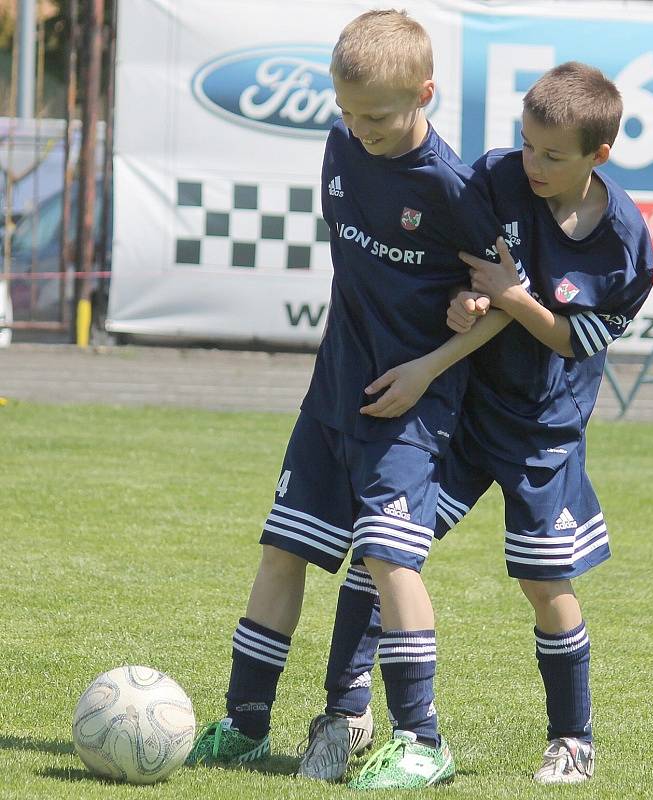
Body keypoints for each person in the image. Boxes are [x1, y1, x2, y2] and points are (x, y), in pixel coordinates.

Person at [298, 61, 653, 786]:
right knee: (383, 550)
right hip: (463, 413)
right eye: (527, 145)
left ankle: (572, 738)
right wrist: (468, 307)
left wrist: (512, 299)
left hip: (540, 434)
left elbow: (575, 339)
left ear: (599, 156)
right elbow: (465, 279)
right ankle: (345, 715)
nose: (534, 164)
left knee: (543, 582)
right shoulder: (495, 178)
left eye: (553, 155)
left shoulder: (625, 243)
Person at [186, 9, 507, 790]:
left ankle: (423, 741)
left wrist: (431, 363)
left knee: (392, 562)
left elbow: (503, 301)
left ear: (424, 93)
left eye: (377, 115)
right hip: (331, 397)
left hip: (411, 411)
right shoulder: (341, 142)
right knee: (283, 548)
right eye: (347, 111)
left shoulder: (457, 188)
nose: (358, 129)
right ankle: (245, 725)